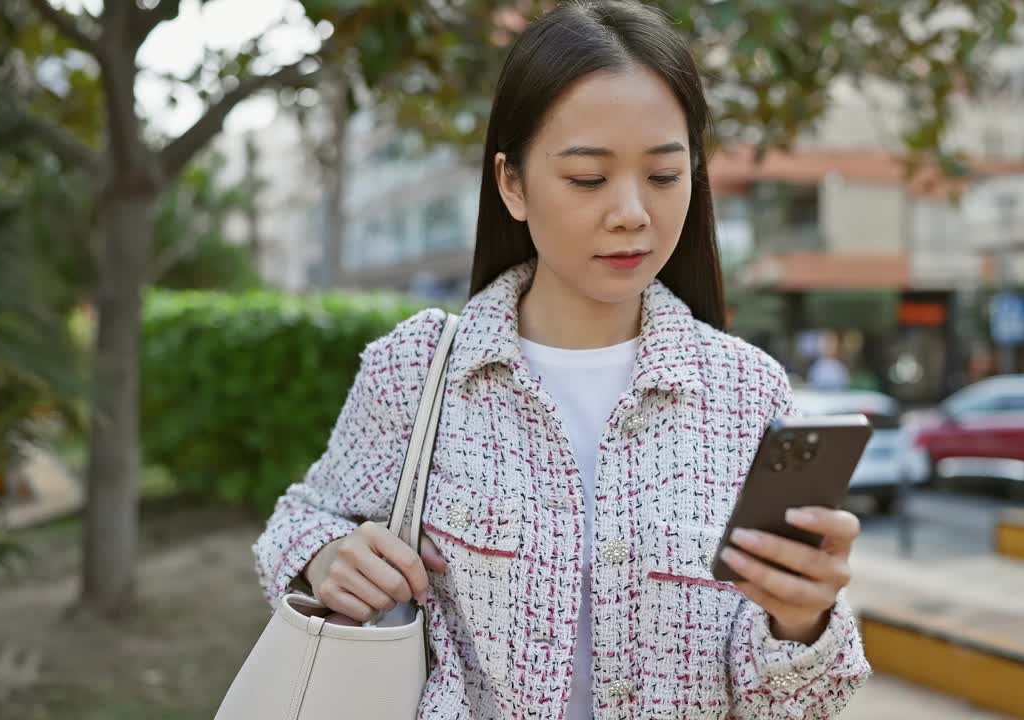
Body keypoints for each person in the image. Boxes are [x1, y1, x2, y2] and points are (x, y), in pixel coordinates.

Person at [252, 2, 869, 717]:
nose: (632, 212)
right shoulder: (419, 369)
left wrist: (801, 618)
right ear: (512, 183)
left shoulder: (746, 392)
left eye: (664, 177)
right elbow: (301, 520)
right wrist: (329, 557)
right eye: (587, 178)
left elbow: (787, 702)